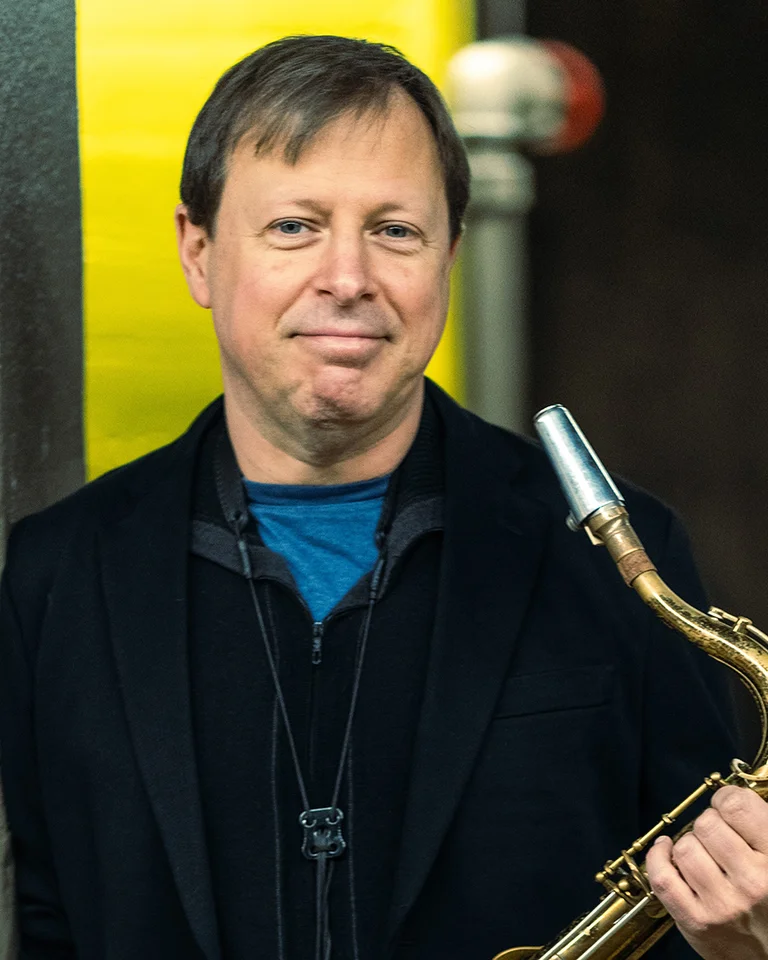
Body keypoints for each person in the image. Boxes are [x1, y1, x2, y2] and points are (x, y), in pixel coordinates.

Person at [0, 34, 767, 960]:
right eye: (295, 226)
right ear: (198, 252)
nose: (349, 279)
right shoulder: (53, 577)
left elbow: (701, 920)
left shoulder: (619, 557)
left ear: (450, 255)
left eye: (395, 230)